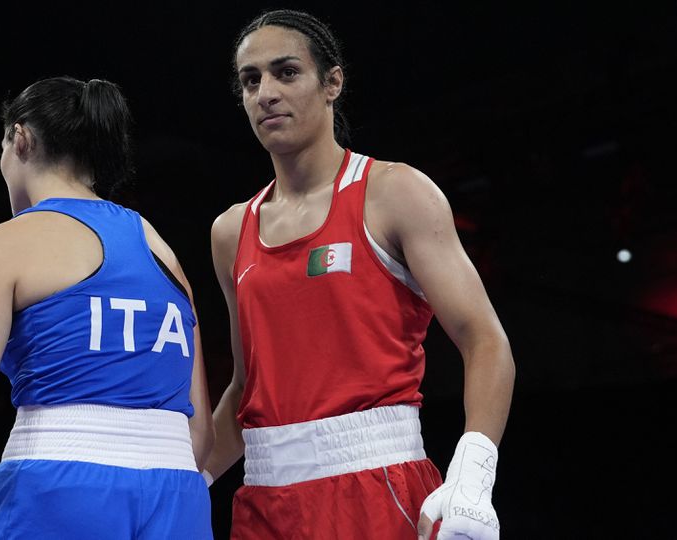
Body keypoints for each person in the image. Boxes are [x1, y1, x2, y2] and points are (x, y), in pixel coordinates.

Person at [203, 10, 515, 540]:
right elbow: (245, 389)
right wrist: (184, 480)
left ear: (332, 83)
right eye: (250, 81)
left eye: (286, 72)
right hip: (263, 505)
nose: (266, 93)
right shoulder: (231, 231)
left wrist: (473, 473)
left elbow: (485, 340)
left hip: (376, 488)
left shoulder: (394, 193)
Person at [0, 76, 214, 540]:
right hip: (178, 497)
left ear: (20, 138)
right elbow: (201, 434)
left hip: (57, 488)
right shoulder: (162, 250)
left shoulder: (4, 245)